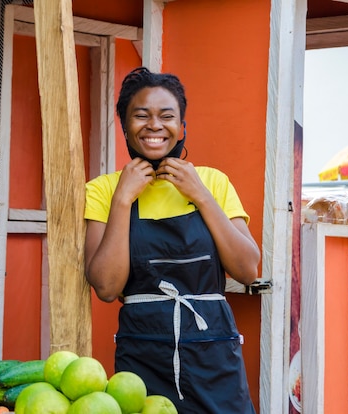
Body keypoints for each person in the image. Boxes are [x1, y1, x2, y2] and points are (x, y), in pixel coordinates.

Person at [84, 67, 260, 413]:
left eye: (167, 116)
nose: (154, 126)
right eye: (141, 115)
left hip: (214, 358)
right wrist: (123, 199)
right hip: (143, 362)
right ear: (125, 125)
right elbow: (106, 287)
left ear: (181, 126)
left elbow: (247, 269)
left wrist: (201, 195)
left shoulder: (212, 181)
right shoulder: (103, 190)